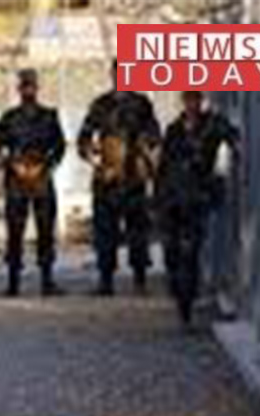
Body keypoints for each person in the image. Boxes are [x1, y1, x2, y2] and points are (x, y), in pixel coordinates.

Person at [78, 59, 161, 296]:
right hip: (108, 177)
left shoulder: (142, 104)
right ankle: (105, 281)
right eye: (118, 73)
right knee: (105, 231)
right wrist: (94, 159)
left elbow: (154, 135)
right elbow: (84, 138)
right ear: (112, 75)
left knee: (137, 232)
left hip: (133, 177)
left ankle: (140, 280)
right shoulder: (101, 105)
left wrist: (146, 153)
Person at [156, 90, 239, 326]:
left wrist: (222, 173)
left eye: (195, 99)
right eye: (187, 99)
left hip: (196, 199)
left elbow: (234, 139)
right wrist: (158, 199)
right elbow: (164, 166)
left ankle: (186, 307)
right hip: (172, 199)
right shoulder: (174, 129)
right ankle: (178, 292)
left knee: (190, 253)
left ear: (201, 101)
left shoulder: (212, 125)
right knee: (171, 253)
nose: (191, 104)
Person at [0, 68, 67, 297]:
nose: (28, 90)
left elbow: (59, 147)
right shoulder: (9, 118)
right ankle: (13, 282)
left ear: (37, 88)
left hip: (41, 179)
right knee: (15, 232)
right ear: (19, 89)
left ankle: (47, 280)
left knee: (46, 231)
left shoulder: (49, 117)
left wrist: (45, 166)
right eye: (25, 86)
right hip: (16, 181)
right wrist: (10, 165)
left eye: (31, 86)